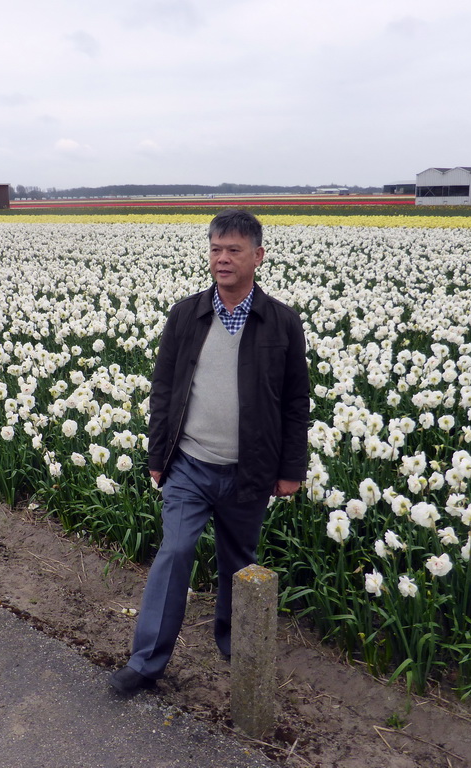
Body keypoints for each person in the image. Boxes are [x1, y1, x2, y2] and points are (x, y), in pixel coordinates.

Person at [109, 209, 310, 696]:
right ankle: (146, 661)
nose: (222, 258)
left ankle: (232, 640)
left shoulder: (282, 322)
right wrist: (158, 456)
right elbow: (164, 388)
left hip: (249, 470)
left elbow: (295, 401)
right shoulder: (186, 314)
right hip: (189, 465)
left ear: (258, 257)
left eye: (234, 250)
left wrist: (290, 468)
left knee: (238, 562)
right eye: (216, 248)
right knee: (174, 552)